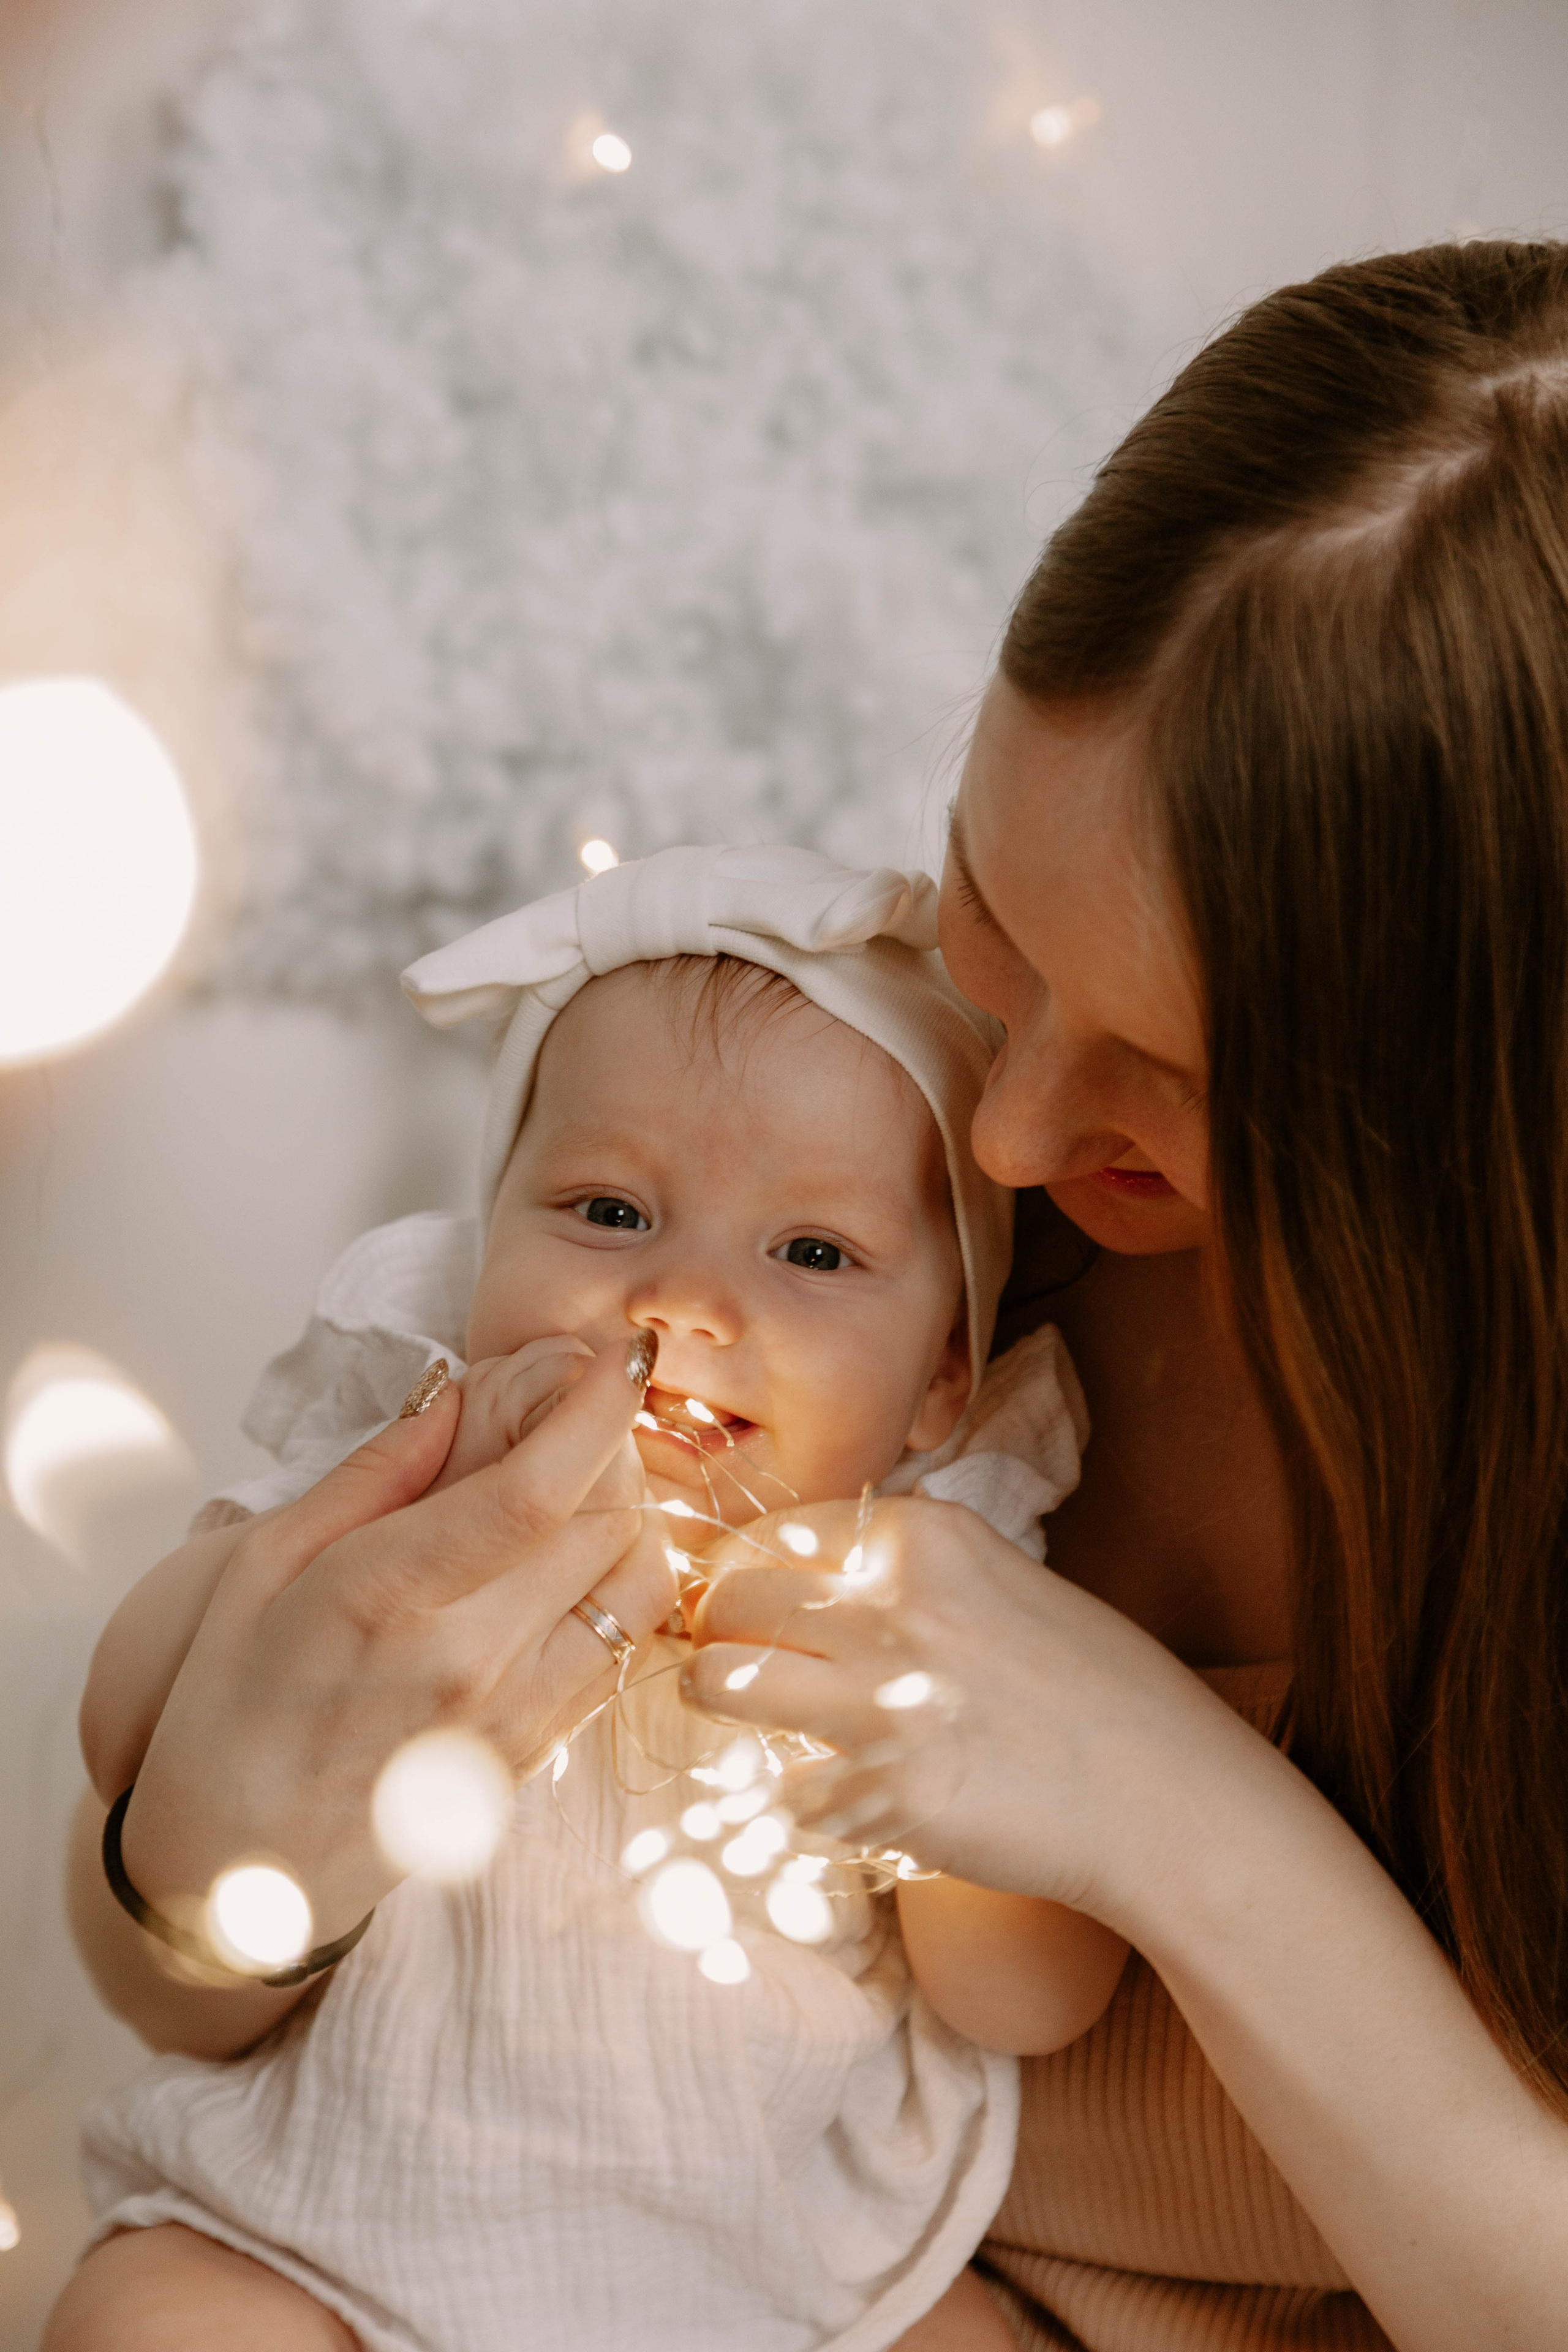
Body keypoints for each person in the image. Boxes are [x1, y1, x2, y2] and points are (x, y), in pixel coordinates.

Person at [682, 239, 1568, 2350]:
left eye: (1164, 1090)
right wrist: (198, 1836)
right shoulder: (854, 1140)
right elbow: (199, 1963)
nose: (1006, 1135)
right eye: (996, 898)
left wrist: (1168, 1804)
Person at [50, 846, 1119, 2352]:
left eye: (812, 1252)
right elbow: (122, 1729)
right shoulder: (406, 1480)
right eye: (608, 1213)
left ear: (942, 1380)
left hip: (765, 2277)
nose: (681, 1301)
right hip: (327, 2226)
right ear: (476, 1256)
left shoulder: (928, 1585)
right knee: (153, 2321)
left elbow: (1029, 2002)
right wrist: (279, 1585)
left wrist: (931, 1764)